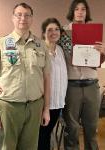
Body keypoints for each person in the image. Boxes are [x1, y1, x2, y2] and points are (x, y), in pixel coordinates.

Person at [0, 3, 50, 150]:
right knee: (7, 147)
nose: (23, 18)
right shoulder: (1, 44)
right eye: (18, 14)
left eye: (27, 15)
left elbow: (46, 79)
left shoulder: (41, 45)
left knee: (30, 147)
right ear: (12, 18)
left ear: (32, 19)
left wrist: (46, 109)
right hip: (9, 108)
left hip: (35, 106)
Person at [58, 0, 105, 150]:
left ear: (87, 12)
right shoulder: (63, 32)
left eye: (83, 9)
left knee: (91, 128)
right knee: (71, 129)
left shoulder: (94, 31)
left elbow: (98, 61)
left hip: (91, 84)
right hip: (72, 86)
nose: (80, 12)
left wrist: (104, 53)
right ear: (72, 12)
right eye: (77, 9)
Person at [37, 18, 67, 150]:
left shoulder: (60, 50)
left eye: (56, 29)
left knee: (46, 134)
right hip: (44, 103)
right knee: (42, 135)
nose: (54, 32)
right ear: (43, 33)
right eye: (50, 30)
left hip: (58, 102)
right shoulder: (39, 50)